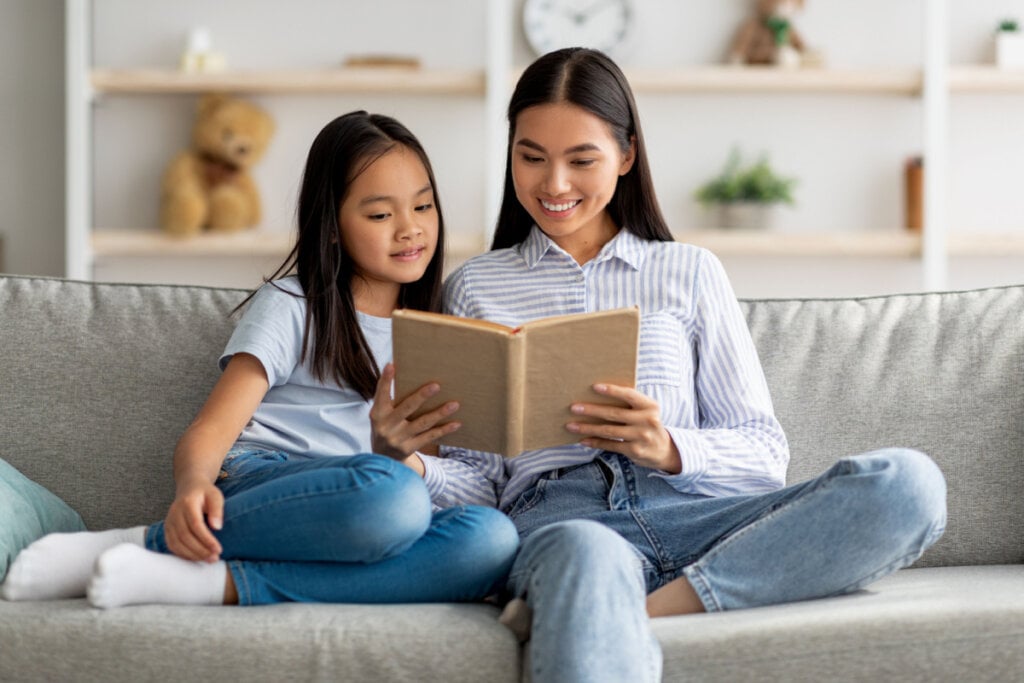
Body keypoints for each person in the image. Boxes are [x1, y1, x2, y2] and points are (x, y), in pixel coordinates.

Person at [417, 48, 947, 683]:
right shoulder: (476, 286)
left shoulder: (690, 271)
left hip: (697, 515)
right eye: (531, 157)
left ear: (627, 155)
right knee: (589, 551)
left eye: (581, 160)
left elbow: (763, 451)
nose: (554, 184)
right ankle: (589, 591)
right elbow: (481, 485)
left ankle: (636, 612)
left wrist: (669, 447)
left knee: (908, 484)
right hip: (564, 522)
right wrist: (408, 460)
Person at [1, 111, 518, 609]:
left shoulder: (447, 328)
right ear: (332, 226)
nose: (410, 229)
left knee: (491, 539)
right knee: (393, 499)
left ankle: (216, 584)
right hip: (272, 479)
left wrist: (399, 459)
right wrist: (193, 488)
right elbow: (211, 430)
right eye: (381, 214)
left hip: (372, 504)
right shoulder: (296, 303)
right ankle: (139, 542)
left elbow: (459, 482)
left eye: (423, 207)